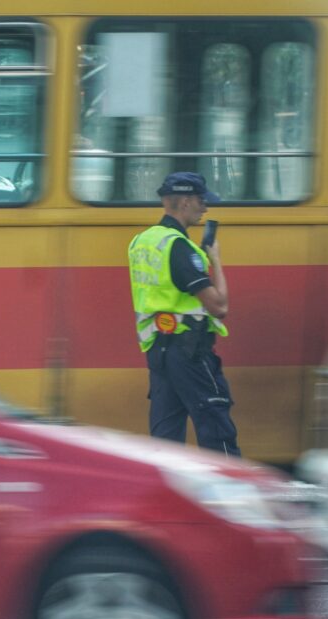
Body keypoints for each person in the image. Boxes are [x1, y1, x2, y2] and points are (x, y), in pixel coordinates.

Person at [127, 171, 241, 456]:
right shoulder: (179, 247)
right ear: (186, 201)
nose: (205, 208)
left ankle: (165, 496)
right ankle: (230, 494)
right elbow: (220, 307)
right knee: (217, 429)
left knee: (166, 438)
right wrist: (215, 259)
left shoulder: (141, 242)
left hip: (159, 352)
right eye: (202, 200)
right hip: (190, 351)